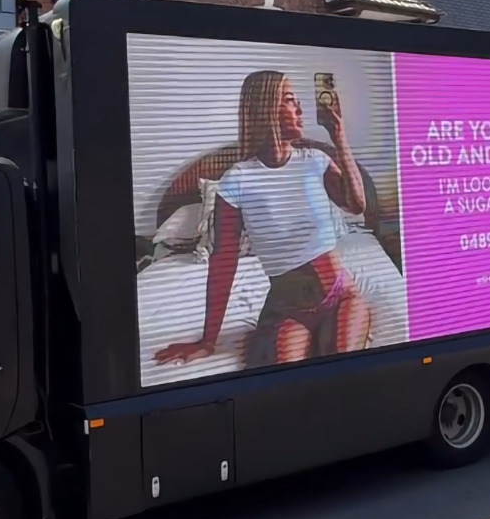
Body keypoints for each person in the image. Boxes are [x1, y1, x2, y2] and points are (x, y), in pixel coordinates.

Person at [154, 69, 371, 367]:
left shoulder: (316, 162)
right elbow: (223, 260)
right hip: (288, 309)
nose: (300, 108)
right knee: (287, 381)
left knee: (344, 365)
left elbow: (357, 205)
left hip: (340, 296)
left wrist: (340, 138)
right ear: (265, 108)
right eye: (289, 100)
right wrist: (208, 341)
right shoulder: (237, 180)